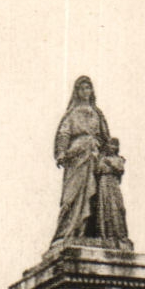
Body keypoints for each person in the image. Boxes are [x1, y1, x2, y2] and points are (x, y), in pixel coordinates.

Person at [51, 75, 119, 245]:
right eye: (81, 88)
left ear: (91, 91)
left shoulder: (97, 114)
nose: (85, 91)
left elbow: (106, 138)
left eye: (87, 88)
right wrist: (61, 152)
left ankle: (88, 232)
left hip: (94, 157)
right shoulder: (72, 113)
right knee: (71, 196)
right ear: (77, 91)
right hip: (77, 157)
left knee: (95, 194)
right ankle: (66, 232)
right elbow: (64, 134)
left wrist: (110, 153)